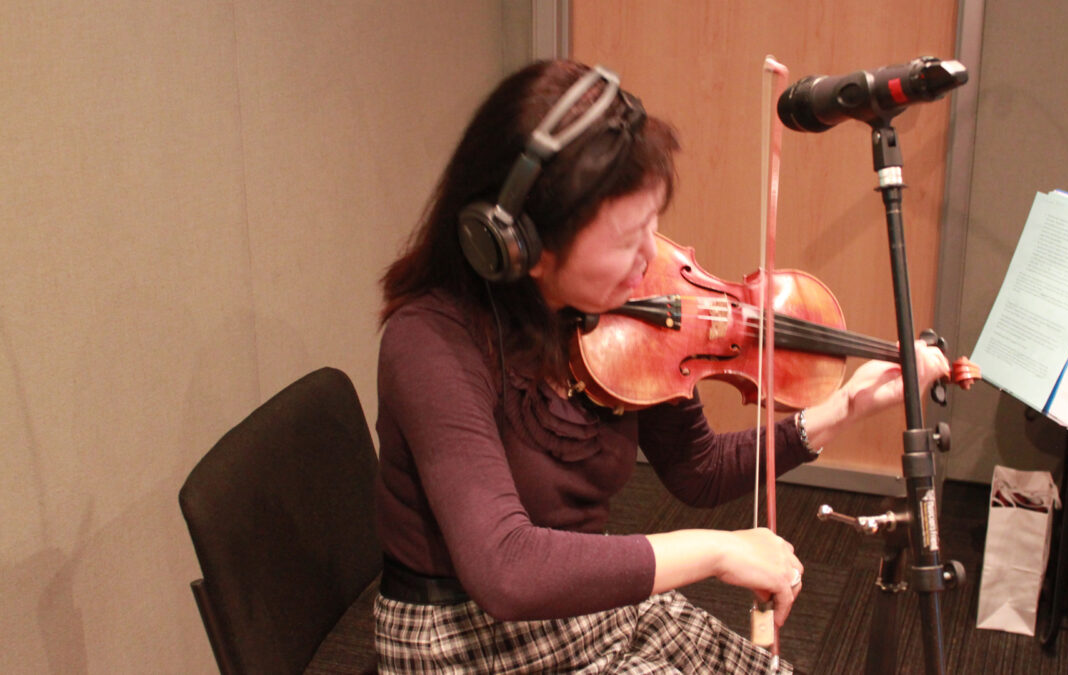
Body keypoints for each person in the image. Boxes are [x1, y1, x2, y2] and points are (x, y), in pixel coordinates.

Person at [373, 59, 949, 674]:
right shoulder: (431, 341)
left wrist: (840, 411)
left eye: (654, 224)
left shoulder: (622, 315)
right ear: (523, 244)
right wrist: (718, 552)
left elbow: (696, 471)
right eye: (626, 239)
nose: (650, 257)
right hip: (460, 639)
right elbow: (507, 569)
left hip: (582, 609)